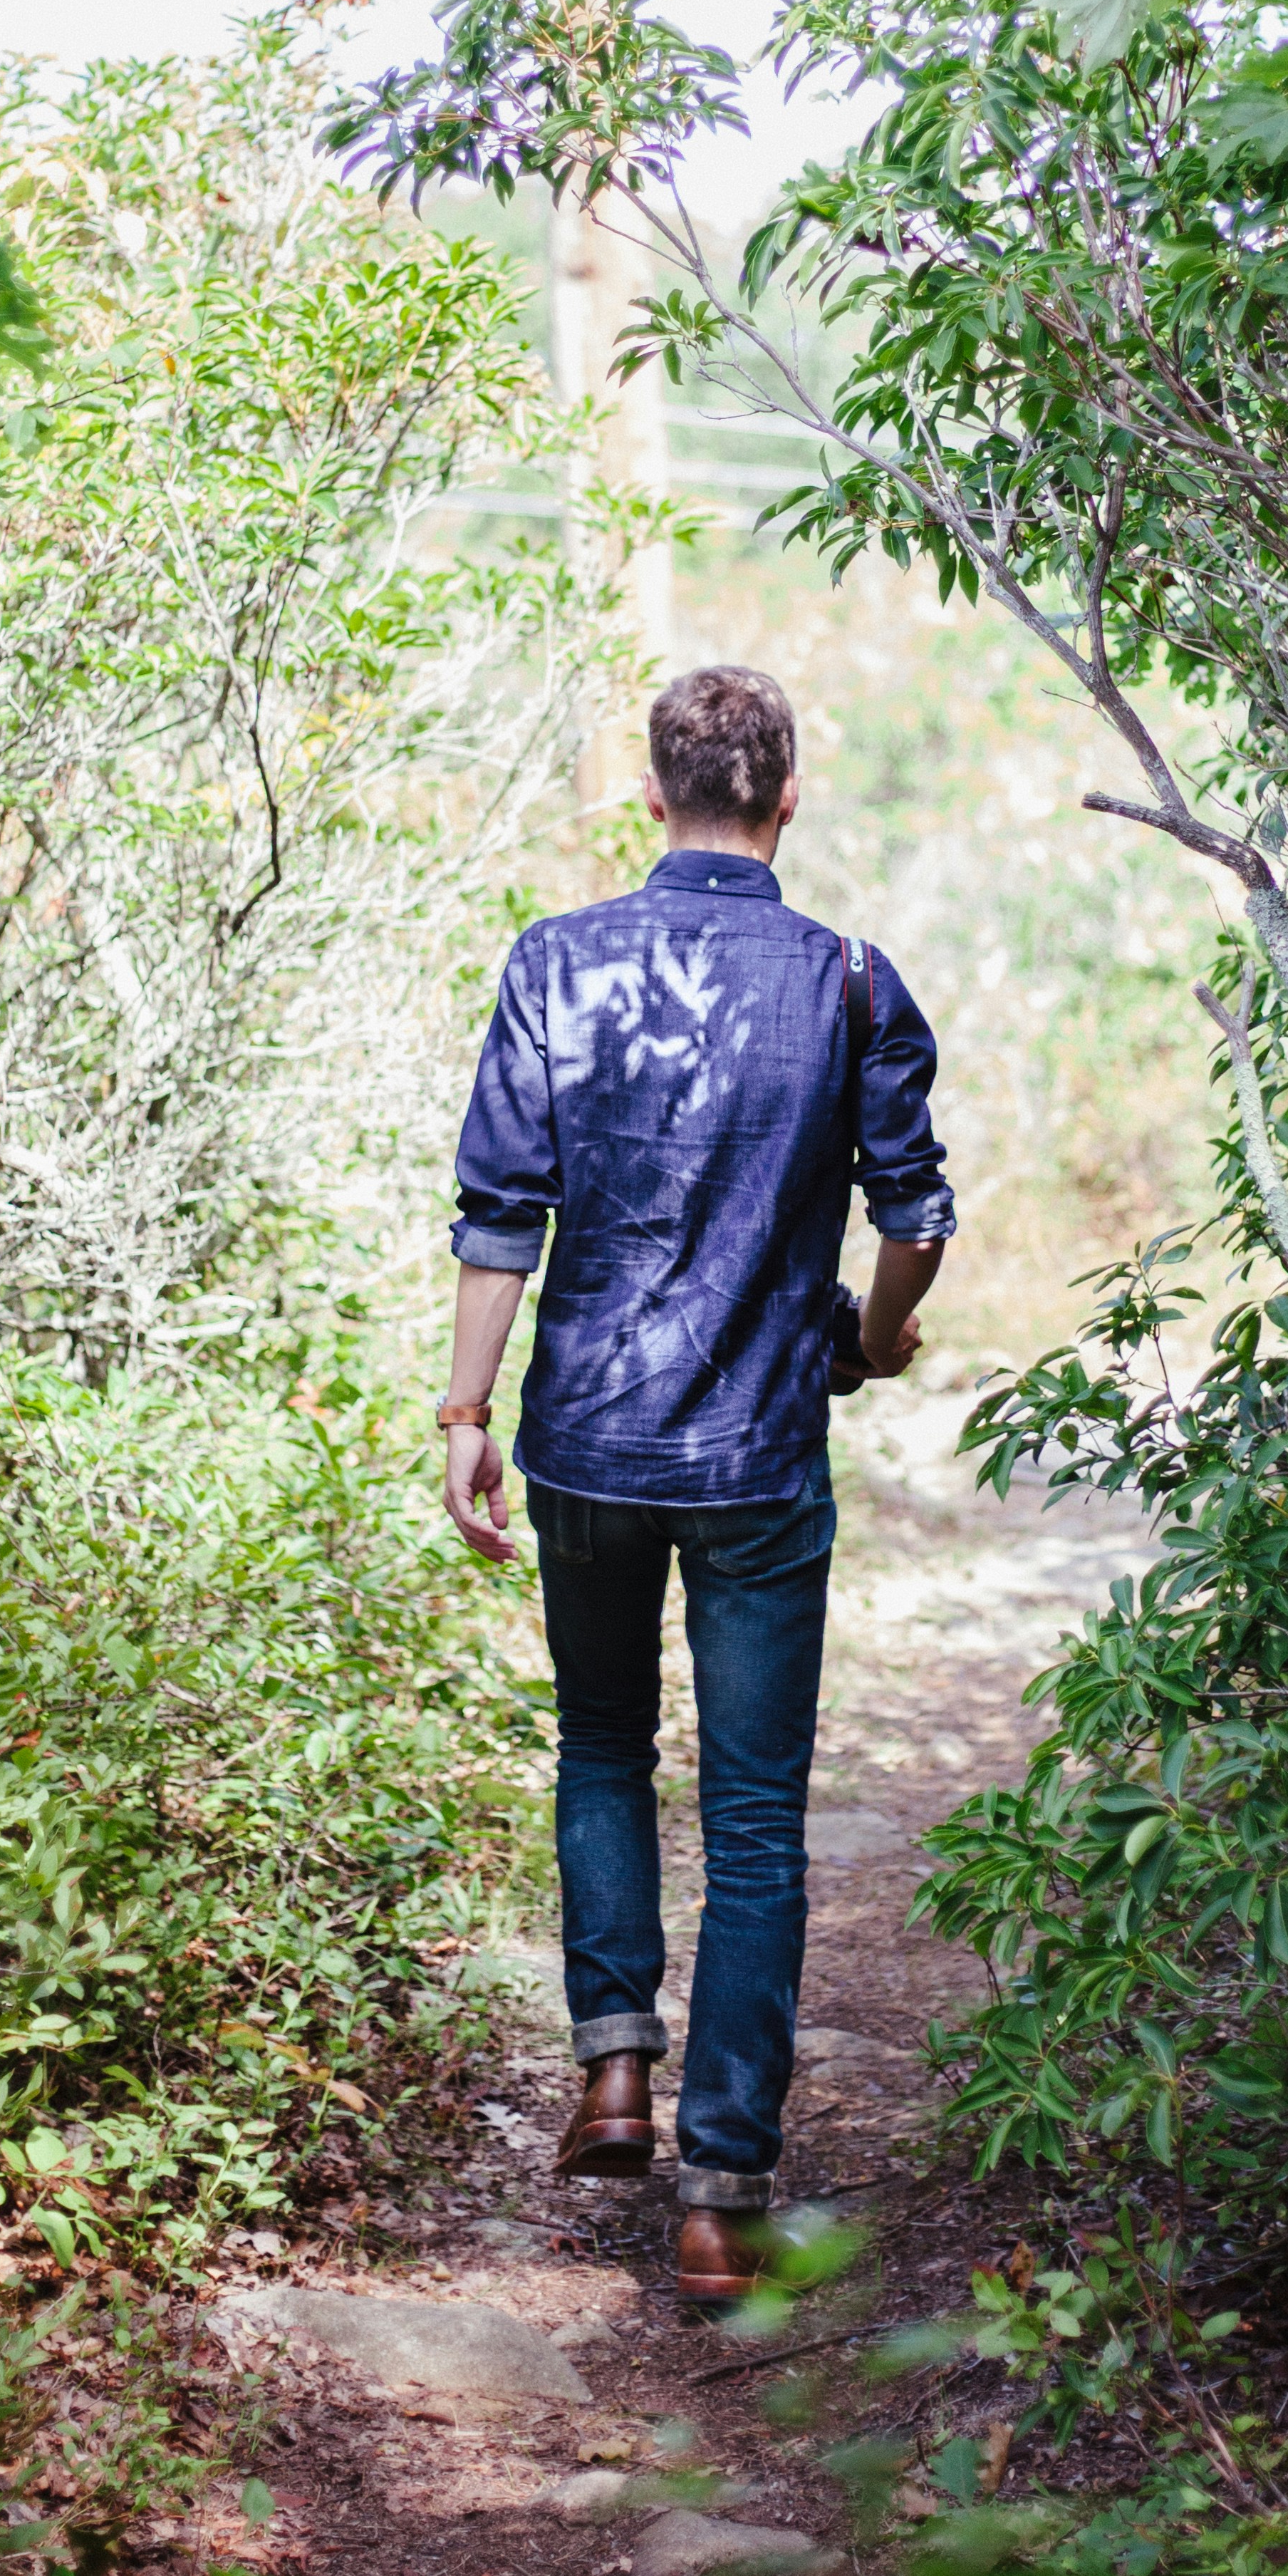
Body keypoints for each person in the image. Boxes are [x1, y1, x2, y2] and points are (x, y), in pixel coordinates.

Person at [436, 664, 954, 2307]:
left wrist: (466, 1410)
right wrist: (871, 1344)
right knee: (751, 1815)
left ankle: (610, 2070)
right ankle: (723, 2195)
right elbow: (916, 1216)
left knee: (600, 1742)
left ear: (651, 794)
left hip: (585, 1437)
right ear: (785, 795)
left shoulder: (554, 964)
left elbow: (500, 1212)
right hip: (755, 1456)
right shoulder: (853, 984)